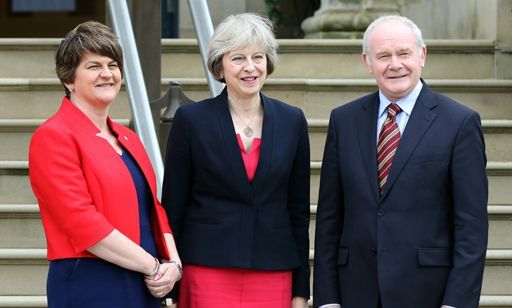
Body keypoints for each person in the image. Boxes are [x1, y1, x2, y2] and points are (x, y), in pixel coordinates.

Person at [313, 15, 488, 308]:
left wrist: (457, 303)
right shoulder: (343, 121)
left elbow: (471, 227)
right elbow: (330, 219)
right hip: (355, 292)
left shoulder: (459, 123)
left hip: (427, 294)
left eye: (404, 53)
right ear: (368, 62)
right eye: (383, 56)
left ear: (422, 55)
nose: (395, 64)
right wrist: (327, 299)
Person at [28, 21, 182, 307]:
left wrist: (173, 265)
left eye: (113, 65)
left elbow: (154, 210)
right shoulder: (53, 136)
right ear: (68, 78)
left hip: (144, 283)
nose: (107, 74)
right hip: (91, 282)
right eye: (93, 66)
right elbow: (81, 222)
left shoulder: (129, 138)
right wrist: (152, 266)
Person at [161, 13, 310, 308]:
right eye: (238, 58)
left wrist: (301, 291)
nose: (250, 67)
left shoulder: (292, 121)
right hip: (206, 268)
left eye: (258, 57)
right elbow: (173, 207)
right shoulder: (191, 120)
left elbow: (298, 212)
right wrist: (172, 289)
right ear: (220, 65)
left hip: (274, 269)